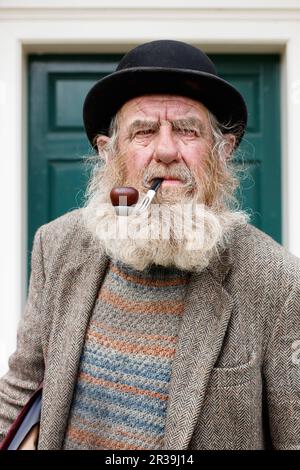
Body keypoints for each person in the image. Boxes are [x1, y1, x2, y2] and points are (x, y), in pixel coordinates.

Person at [0, 39, 300, 450]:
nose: (165, 150)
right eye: (143, 131)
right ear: (109, 154)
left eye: (187, 130)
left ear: (223, 153)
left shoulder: (277, 280)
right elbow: (19, 391)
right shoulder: (57, 245)